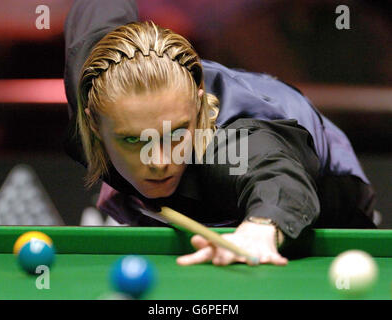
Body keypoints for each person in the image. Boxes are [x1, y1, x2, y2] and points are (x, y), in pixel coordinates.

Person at [63, 0, 377, 266]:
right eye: (133, 139)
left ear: (198, 108)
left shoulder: (229, 146)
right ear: (93, 122)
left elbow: (276, 175)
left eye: (175, 133)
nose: (158, 161)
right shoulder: (95, 80)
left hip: (325, 190)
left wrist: (260, 227)